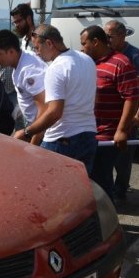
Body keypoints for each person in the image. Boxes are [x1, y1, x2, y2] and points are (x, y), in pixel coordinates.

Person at [22, 24, 97, 175]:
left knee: (50, 191)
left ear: (49, 43)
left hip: (61, 140)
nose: (37, 53)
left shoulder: (55, 68)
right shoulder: (87, 60)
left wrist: (27, 132)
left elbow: (55, 112)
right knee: (80, 192)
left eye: (37, 48)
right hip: (88, 136)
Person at [81, 25, 139, 202]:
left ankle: (108, 222)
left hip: (108, 136)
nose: (82, 48)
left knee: (101, 181)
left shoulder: (121, 63)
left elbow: (132, 97)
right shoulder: (88, 62)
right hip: (89, 132)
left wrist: (121, 130)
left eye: (84, 44)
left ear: (96, 42)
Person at [104, 20, 139, 203]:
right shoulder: (107, 54)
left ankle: (120, 192)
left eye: (110, 36)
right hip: (110, 117)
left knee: (124, 160)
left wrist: (138, 115)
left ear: (122, 36)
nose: (107, 40)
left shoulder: (134, 55)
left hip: (128, 116)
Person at [0, 29, 47, 145]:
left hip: (42, 131)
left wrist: (32, 142)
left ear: (11, 52)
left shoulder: (28, 71)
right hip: (35, 127)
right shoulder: (23, 60)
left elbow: (45, 109)